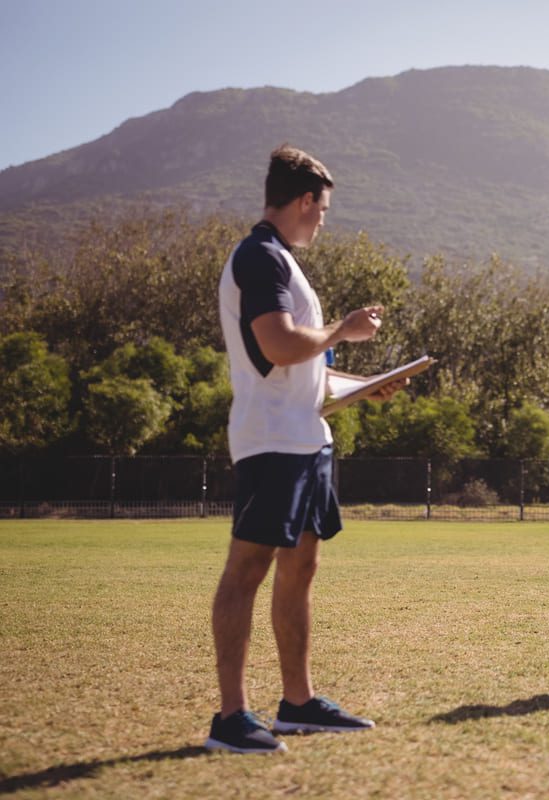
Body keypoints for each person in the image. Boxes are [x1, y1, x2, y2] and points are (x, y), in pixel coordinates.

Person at [207, 144, 404, 754]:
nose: (322, 221)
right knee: (248, 570)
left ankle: (297, 703)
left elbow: (302, 370)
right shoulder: (260, 257)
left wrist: (359, 388)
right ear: (304, 201)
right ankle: (231, 718)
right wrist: (343, 329)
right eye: (321, 210)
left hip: (305, 438)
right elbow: (279, 346)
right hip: (272, 443)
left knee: (301, 568)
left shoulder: (283, 261)